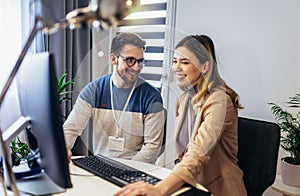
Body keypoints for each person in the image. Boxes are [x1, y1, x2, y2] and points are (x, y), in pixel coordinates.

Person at [114, 34, 247, 196]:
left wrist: (160, 189)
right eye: (175, 61)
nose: (177, 68)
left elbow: (197, 153)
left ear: (205, 67)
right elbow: (185, 155)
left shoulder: (220, 101)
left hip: (218, 189)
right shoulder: (184, 100)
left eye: (185, 62)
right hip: (191, 184)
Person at [63, 32, 165, 164]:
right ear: (113, 59)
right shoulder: (93, 90)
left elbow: (152, 148)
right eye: (130, 60)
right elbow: (71, 128)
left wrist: (123, 170)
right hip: (101, 165)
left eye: (140, 61)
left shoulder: (152, 97)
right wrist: (63, 148)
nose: (136, 67)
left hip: (137, 169)